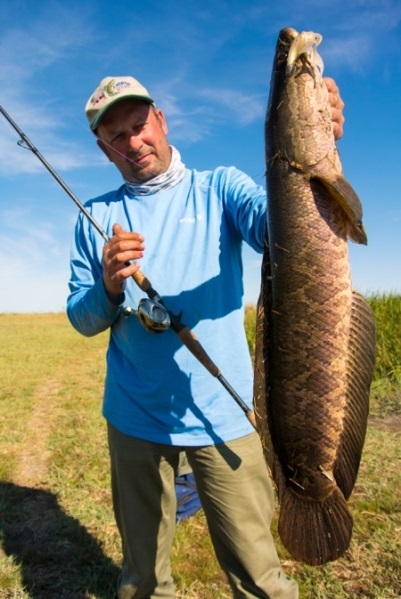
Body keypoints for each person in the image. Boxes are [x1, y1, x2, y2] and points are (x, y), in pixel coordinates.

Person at [67, 74, 344, 599]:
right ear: (103, 150)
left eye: (139, 125)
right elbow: (81, 318)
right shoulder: (95, 217)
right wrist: (106, 286)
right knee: (142, 579)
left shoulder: (220, 186)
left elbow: (281, 230)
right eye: (117, 136)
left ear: (161, 121)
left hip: (226, 412)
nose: (133, 142)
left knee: (260, 576)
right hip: (134, 417)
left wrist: (314, 143)